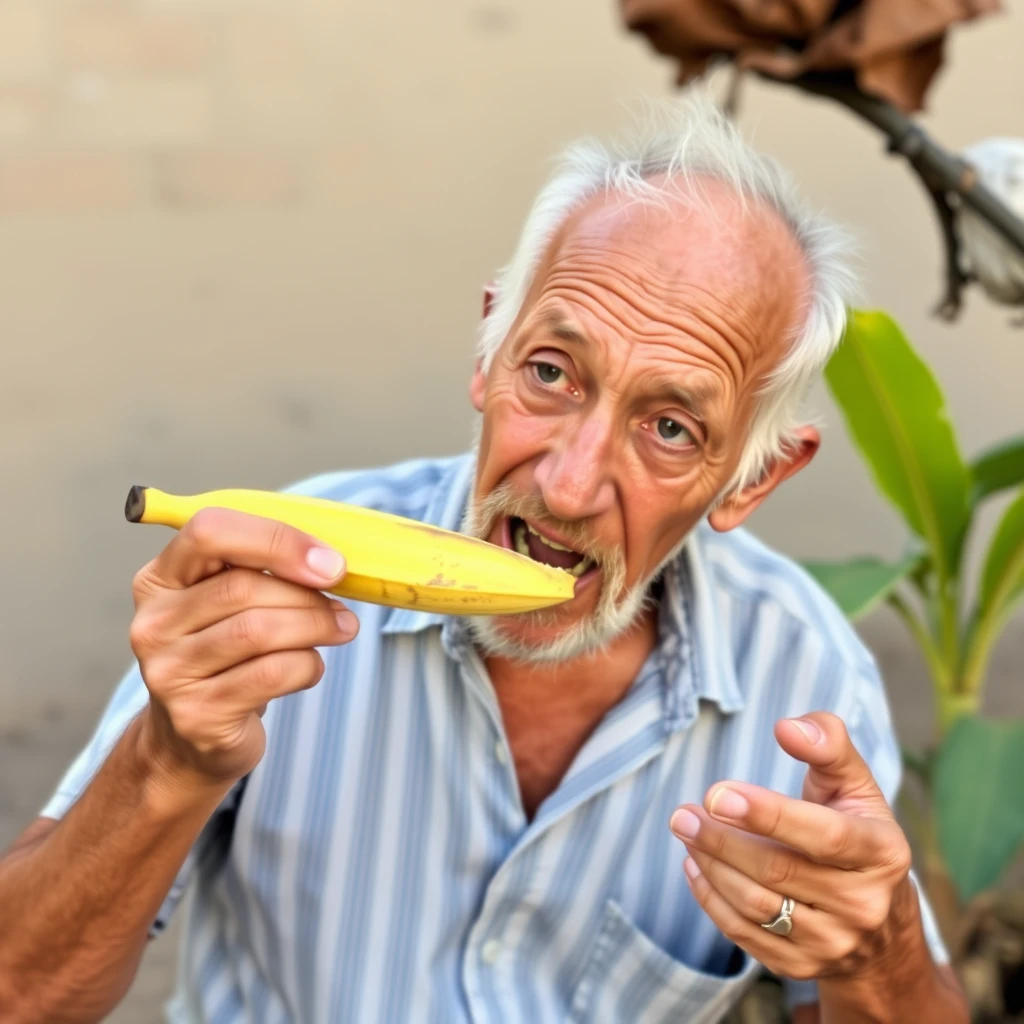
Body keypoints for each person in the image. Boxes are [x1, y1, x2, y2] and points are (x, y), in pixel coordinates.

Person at [0, 95, 969, 1024]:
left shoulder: (799, 671)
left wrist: (871, 956)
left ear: (754, 478)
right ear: (489, 348)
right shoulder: (274, 571)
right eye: (549, 372)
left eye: (669, 426)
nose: (567, 484)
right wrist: (165, 763)